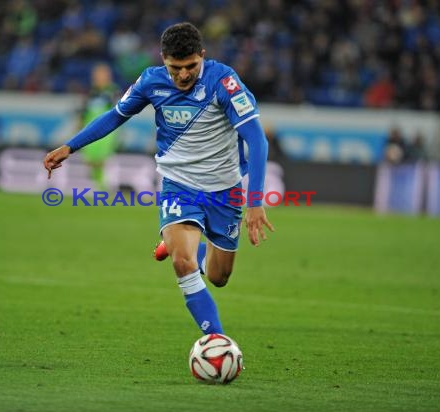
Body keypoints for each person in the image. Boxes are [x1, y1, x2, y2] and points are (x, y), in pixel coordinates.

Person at [44, 22, 273, 335]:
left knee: (219, 278)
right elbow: (115, 115)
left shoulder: (224, 81)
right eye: (175, 67)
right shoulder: (151, 81)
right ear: (163, 59)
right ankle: (215, 340)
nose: (183, 75)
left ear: (202, 56)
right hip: (178, 185)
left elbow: (257, 140)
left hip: (225, 190)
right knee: (182, 263)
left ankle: (189, 247)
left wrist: (255, 202)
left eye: (191, 66)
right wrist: (71, 146)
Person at [80, 63, 121, 189]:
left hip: (107, 130)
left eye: (103, 74)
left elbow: (120, 110)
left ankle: (103, 185)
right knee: (90, 160)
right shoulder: (90, 92)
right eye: (97, 74)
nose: (100, 77)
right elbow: (84, 111)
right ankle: (96, 184)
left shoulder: (113, 91)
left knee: (102, 159)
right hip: (89, 128)